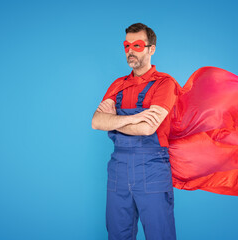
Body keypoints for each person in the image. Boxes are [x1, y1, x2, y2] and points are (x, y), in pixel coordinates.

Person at [92, 23, 178, 240]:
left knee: (160, 235)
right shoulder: (117, 85)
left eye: (137, 45)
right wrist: (134, 117)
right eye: (127, 45)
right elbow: (96, 122)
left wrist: (113, 120)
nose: (130, 50)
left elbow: (148, 127)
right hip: (118, 170)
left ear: (151, 49)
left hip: (152, 169)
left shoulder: (165, 84)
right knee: (117, 235)